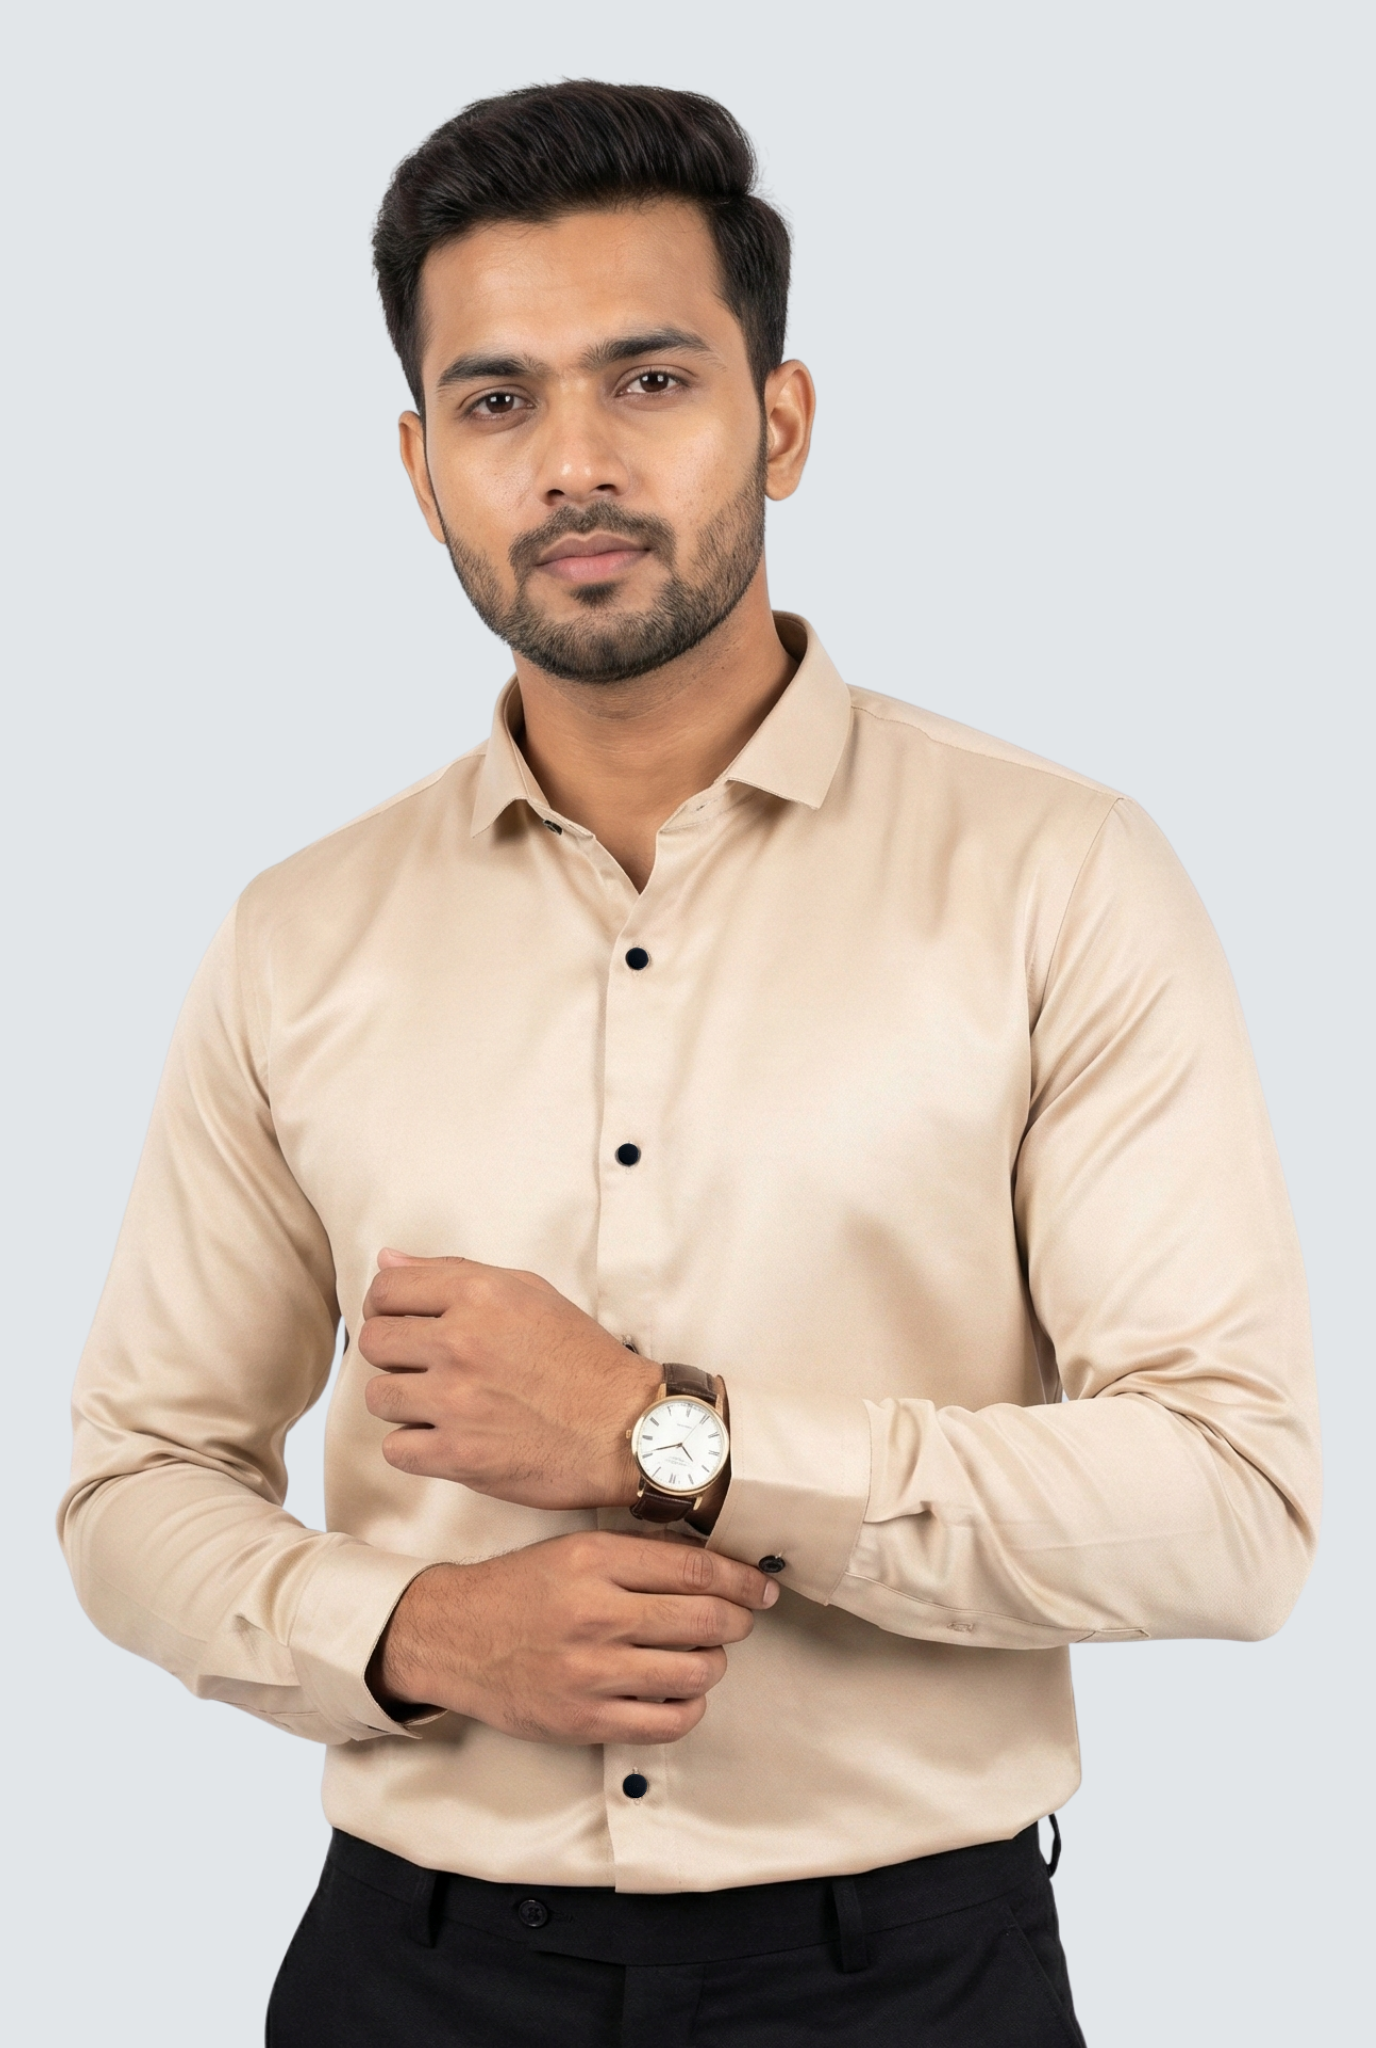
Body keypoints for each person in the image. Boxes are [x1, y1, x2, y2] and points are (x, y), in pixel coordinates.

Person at [61, 80, 1320, 2047]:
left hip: (904, 1983)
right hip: (411, 1972)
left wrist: (678, 1437)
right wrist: (401, 1630)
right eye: (496, 402)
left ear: (780, 419)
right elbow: (137, 1479)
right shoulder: (296, 937)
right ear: (419, 464)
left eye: (646, 379)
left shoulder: (1054, 878)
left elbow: (1231, 1504)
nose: (572, 461)